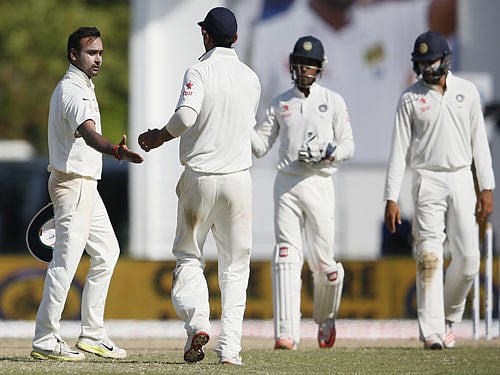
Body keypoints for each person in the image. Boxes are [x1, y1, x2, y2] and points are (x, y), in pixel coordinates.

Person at [137, 7, 260, 366]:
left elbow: (186, 117)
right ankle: (231, 351)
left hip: (201, 179)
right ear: (235, 38)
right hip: (239, 181)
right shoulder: (251, 77)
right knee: (235, 268)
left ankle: (198, 324)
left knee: (190, 258)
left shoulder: (199, 69)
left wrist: (159, 136)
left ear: (206, 35)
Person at [30, 26, 144, 361]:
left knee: (107, 252)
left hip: (85, 186)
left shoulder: (82, 86)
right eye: (91, 53)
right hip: (73, 185)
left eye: (100, 53)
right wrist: (117, 151)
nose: (98, 59)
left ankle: (92, 334)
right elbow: (90, 136)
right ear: (73, 55)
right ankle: (46, 338)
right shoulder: (72, 90)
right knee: (64, 263)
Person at [383, 31, 495, 349]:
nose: (425, 70)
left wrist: (486, 187)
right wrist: (391, 197)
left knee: (470, 259)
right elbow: (398, 152)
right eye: (420, 64)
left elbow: (479, 144)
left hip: (461, 177)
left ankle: (448, 317)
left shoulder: (468, 92)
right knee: (429, 254)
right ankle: (431, 330)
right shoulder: (409, 99)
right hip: (426, 179)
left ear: (446, 60)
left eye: (430, 62)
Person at [251, 35, 354, 350]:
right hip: (287, 184)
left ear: (320, 68)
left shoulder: (333, 101)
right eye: (300, 64)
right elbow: (258, 146)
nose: (305, 69)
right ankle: (286, 333)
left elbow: (349, 146)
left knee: (325, 266)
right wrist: (238, 121)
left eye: (310, 65)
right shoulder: (280, 102)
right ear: (292, 65)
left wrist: (328, 151)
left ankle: (326, 318)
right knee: (286, 255)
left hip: (320, 183)